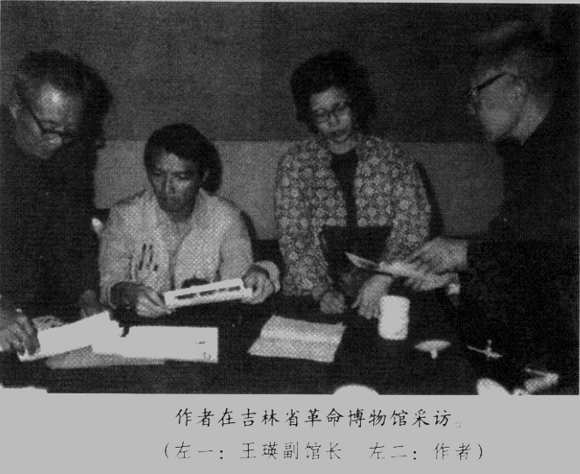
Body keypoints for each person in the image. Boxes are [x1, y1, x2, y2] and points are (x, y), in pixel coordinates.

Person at [405, 21, 578, 386]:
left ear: (517, 89)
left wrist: (466, 255)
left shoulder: (567, 154)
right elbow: (519, 250)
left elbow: (562, 260)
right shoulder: (524, 152)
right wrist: (461, 271)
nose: (472, 108)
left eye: (477, 93)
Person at [275, 51, 431, 319]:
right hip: (315, 296)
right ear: (309, 117)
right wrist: (322, 291)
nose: (333, 121)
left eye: (339, 108)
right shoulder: (296, 164)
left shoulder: (394, 160)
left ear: (356, 103)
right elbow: (294, 236)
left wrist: (383, 277)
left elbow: (413, 226)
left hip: (387, 289)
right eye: (320, 114)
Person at [99, 123, 279, 318]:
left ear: (203, 176)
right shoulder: (126, 216)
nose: (167, 188)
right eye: (158, 175)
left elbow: (239, 282)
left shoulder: (227, 218)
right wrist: (128, 293)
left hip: (205, 324)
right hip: (141, 325)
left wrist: (257, 275)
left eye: (181, 177)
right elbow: (109, 285)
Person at [0, 50, 112, 355]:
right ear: (16, 107)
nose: (58, 142)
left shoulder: (72, 154)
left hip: (40, 310)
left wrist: (87, 295)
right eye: (49, 128)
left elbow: (76, 235)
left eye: (69, 133)